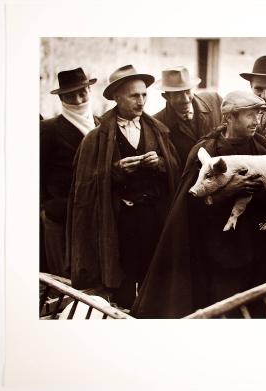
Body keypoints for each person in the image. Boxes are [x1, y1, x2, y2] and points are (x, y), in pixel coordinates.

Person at [132, 91, 266, 318]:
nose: (257, 121)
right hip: (219, 255)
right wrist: (229, 191)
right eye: (250, 115)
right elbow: (188, 206)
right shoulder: (207, 151)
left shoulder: (263, 147)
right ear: (229, 118)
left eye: (259, 114)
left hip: (259, 253)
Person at [66, 65, 181, 308]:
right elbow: (86, 186)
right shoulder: (97, 138)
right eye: (134, 96)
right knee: (124, 273)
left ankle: (152, 314)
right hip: (120, 219)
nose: (141, 101)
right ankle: (123, 315)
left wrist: (159, 163)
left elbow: (174, 168)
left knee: (154, 269)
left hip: (154, 215)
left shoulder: (158, 131)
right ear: (117, 97)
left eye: (144, 95)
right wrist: (116, 171)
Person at [40, 67, 99, 277]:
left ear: (89, 92)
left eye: (82, 92)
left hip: (95, 217)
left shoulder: (100, 124)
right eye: (70, 95)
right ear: (62, 99)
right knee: (64, 279)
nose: (78, 99)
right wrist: (45, 207)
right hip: (61, 218)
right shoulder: (49, 129)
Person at [154, 66, 222, 168]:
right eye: (178, 94)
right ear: (166, 97)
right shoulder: (158, 123)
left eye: (187, 91)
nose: (185, 99)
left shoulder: (215, 101)